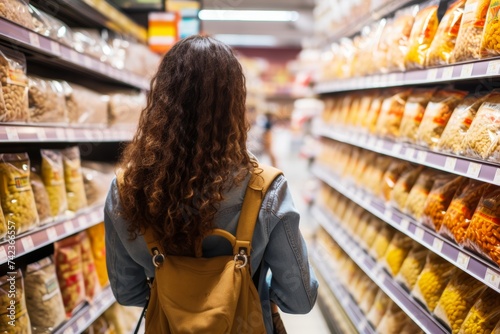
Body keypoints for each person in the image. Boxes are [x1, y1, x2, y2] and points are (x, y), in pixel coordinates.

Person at [104, 35, 318, 333]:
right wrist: (247, 286)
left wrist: (180, 299)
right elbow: (300, 299)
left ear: (160, 99)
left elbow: (127, 291)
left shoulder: (126, 189)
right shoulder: (268, 188)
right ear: (235, 104)